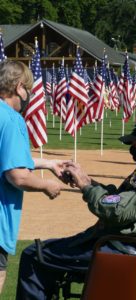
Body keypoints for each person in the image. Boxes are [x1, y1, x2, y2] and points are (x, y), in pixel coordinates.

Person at [16, 117, 136, 299]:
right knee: (45, 251)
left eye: (135, 143)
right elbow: (123, 199)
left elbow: (120, 212)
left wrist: (86, 188)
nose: (131, 148)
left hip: (121, 246)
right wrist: (88, 181)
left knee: (34, 254)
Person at [0, 60, 66, 294]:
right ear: (18, 87)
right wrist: (46, 185)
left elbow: (7, 159)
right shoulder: (11, 119)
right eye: (28, 88)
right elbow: (17, 175)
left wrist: (48, 163)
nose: (29, 94)